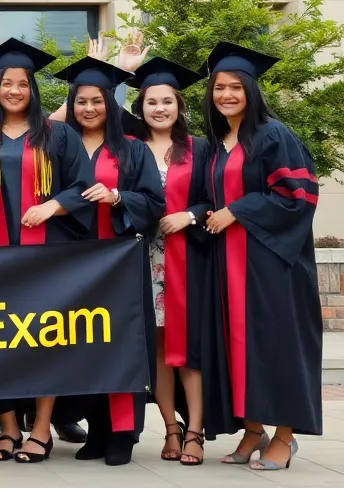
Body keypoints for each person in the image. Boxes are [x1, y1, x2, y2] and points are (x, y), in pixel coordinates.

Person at [0, 36, 95, 464]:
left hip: (47, 255)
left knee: (45, 339)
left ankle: (41, 428)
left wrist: (54, 205)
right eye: (6, 83)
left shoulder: (58, 134)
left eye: (22, 83)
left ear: (33, 90)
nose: (14, 90)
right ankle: (8, 426)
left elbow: (83, 185)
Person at [199, 42, 321, 470]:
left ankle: (285, 437)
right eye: (219, 88)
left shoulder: (273, 135)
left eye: (235, 87)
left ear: (251, 90)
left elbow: (298, 196)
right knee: (240, 348)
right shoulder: (218, 144)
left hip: (270, 263)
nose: (226, 95)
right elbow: (208, 199)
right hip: (228, 264)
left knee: (277, 346)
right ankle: (253, 430)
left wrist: (238, 210)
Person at [56, 57, 165, 466]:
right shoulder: (59, 144)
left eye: (97, 101)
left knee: (121, 344)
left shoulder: (132, 150)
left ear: (110, 104)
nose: (88, 108)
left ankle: (122, 431)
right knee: (83, 342)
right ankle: (96, 426)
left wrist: (118, 197)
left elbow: (155, 203)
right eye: (81, 100)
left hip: (119, 263)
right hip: (73, 264)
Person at [125, 57, 215, 466]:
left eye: (166, 101)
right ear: (139, 108)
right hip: (143, 258)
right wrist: (123, 70)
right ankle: (171, 429)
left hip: (188, 256)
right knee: (158, 349)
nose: (159, 109)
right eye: (150, 102)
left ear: (179, 105)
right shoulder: (130, 148)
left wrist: (191, 215)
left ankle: (195, 430)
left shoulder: (199, 147)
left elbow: (216, 196)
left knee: (188, 346)